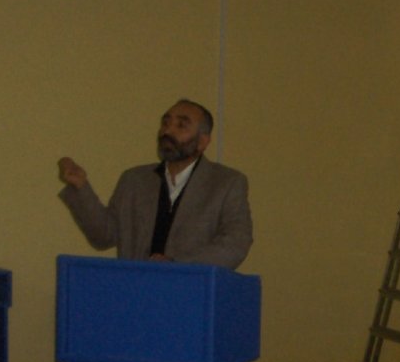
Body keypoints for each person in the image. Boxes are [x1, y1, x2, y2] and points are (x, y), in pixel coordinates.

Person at [58, 99, 253, 270]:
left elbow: (236, 243)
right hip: (135, 289)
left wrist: (178, 266)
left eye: (181, 125)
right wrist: (80, 187)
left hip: (191, 291)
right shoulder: (134, 180)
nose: (168, 131)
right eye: (165, 123)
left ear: (202, 142)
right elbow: (103, 237)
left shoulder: (226, 183)